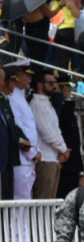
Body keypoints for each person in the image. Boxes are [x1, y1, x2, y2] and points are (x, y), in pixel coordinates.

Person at [30, 68, 70, 200]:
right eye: (51, 83)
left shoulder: (46, 102)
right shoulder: (36, 104)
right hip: (45, 158)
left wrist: (62, 149)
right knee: (44, 199)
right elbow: (47, 132)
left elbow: (56, 130)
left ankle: (49, 222)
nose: (55, 86)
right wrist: (63, 149)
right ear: (40, 85)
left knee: (51, 199)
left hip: (53, 157)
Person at [4, 60, 39, 200]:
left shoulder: (21, 97)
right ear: (17, 76)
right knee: (20, 198)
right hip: (21, 156)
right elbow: (17, 128)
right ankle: (19, 223)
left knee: (26, 197)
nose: (29, 78)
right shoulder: (12, 98)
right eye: (26, 75)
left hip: (29, 157)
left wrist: (37, 150)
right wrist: (31, 152)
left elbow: (31, 128)